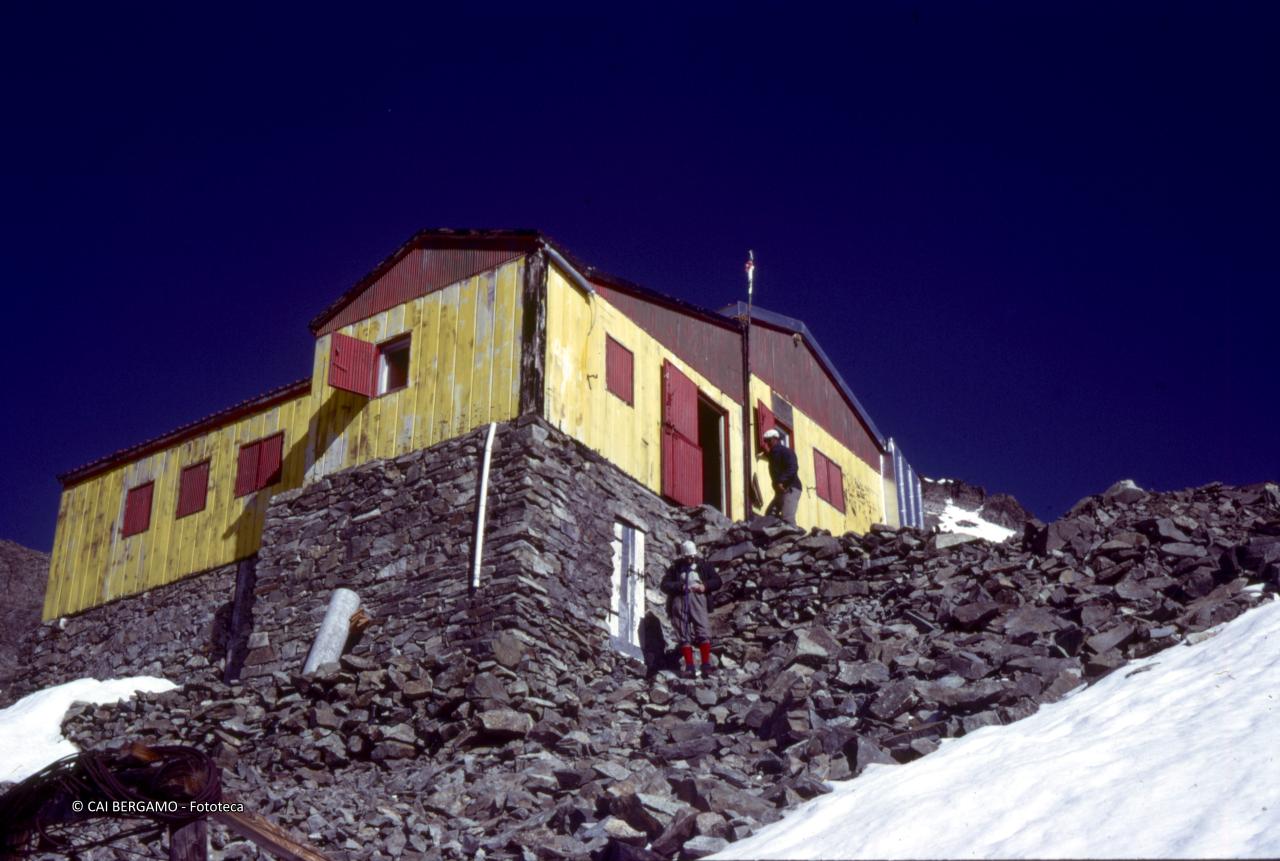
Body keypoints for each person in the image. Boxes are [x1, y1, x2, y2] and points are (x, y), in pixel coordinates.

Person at [660, 539, 722, 678]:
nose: (690, 559)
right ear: (683, 556)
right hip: (679, 600)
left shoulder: (704, 565)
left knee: (703, 629)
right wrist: (680, 587)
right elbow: (664, 585)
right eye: (687, 557)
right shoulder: (675, 567)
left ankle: (706, 665)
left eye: (692, 557)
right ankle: (689, 666)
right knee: (682, 631)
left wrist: (704, 586)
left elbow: (717, 581)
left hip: (698, 599)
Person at [761, 428, 802, 524]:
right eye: (765, 441)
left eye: (769, 440)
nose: (767, 443)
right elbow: (773, 457)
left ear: (776, 439)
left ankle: (793, 537)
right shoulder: (773, 454)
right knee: (769, 515)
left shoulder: (786, 452)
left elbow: (793, 468)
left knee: (787, 517)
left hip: (791, 489)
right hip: (780, 491)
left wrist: (781, 481)